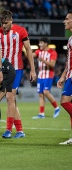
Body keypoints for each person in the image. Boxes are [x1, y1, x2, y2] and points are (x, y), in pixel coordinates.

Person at [0, 9, 36, 138]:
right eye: (1, 23)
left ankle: (8, 129)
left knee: (10, 97)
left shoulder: (21, 31)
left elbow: (28, 50)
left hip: (16, 69)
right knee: (11, 100)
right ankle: (20, 130)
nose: (3, 25)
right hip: (2, 70)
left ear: (11, 20)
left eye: (6, 22)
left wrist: (33, 70)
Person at [32, 37, 60, 119]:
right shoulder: (38, 51)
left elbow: (52, 65)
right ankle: (41, 114)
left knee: (46, 92)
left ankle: (57, 108)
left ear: (46, 43)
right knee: (41, 95)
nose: (39, 44)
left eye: (41, 43)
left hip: (48, 75)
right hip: (40, 76)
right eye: (39, 43)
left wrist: (43, 60)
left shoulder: (52, 52)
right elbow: (30, 55)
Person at [57, 10, 72, 145]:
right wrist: (63, 76)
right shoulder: (70, 39)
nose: (64, 21)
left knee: (64, 101)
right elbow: (68, 61)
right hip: (70, 75)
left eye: (67, 19)